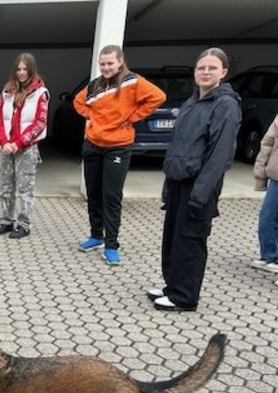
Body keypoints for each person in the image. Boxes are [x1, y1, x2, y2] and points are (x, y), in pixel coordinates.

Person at [147, 47, 241, 312]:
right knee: (173, 238)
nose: (206, 72)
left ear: (223, 72)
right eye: (201, 68)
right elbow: (177, 145)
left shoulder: (225, 105)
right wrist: (168, 185)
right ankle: (171, 286)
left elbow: (220, 154)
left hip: (200, 184)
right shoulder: (192, 102)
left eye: (212, 68)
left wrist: (200, 194)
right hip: (179, 181)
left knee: (190, 240)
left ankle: (184, 297)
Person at [73, 45, 166, 266]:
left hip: (118, 147)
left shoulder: (133, 81)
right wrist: (93, 116)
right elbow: (77, 102)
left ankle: (111, 244)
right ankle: (96, 236)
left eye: (110, 63)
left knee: (111, 197)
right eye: (102, 64)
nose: (106, 67)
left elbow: (158, 97)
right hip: (93, 145)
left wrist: (133, 117)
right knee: (93, 194)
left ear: (120, 61)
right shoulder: (95, 84)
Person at [0, 52, 49, 239]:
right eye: (19, 69)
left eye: (25, 69)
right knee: (5, 187)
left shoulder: (41, 93)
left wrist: (19, 143)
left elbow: (39, 123)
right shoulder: (6, 92)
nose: (22, 72)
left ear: (32, 70)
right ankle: (6, 221)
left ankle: (24, 224)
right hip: (6, 147)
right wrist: (4, 142)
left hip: (27, 149)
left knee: (25, 188)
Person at [252, 111, 278, 275]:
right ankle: (270, 256)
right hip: (276, 177)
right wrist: (260, 175)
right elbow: (267, 143)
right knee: (267, 218)